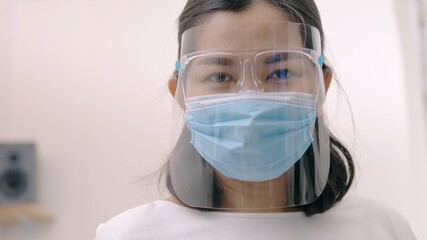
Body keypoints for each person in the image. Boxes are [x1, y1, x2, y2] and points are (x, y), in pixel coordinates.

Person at [95, 0, 416, 239]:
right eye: (220, 75)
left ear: (322, 85)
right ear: (180, 94)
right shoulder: (130, 234)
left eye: (280, 72)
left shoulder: (383, 231)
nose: (250, 96)